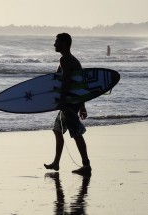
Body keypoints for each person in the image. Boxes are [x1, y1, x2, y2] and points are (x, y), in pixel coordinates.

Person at [44, 33, 91, 175]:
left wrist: (62, 102)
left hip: (69, 103)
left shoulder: (65, 60)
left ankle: (86, 165)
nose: (54, 44)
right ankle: (57, 162)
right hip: (72, 102)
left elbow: (65, 83)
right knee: (58, 130)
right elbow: (80, 84)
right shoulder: (72, 60)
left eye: (56, 42)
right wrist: (82, 105)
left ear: (64, 43)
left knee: (76, 133)